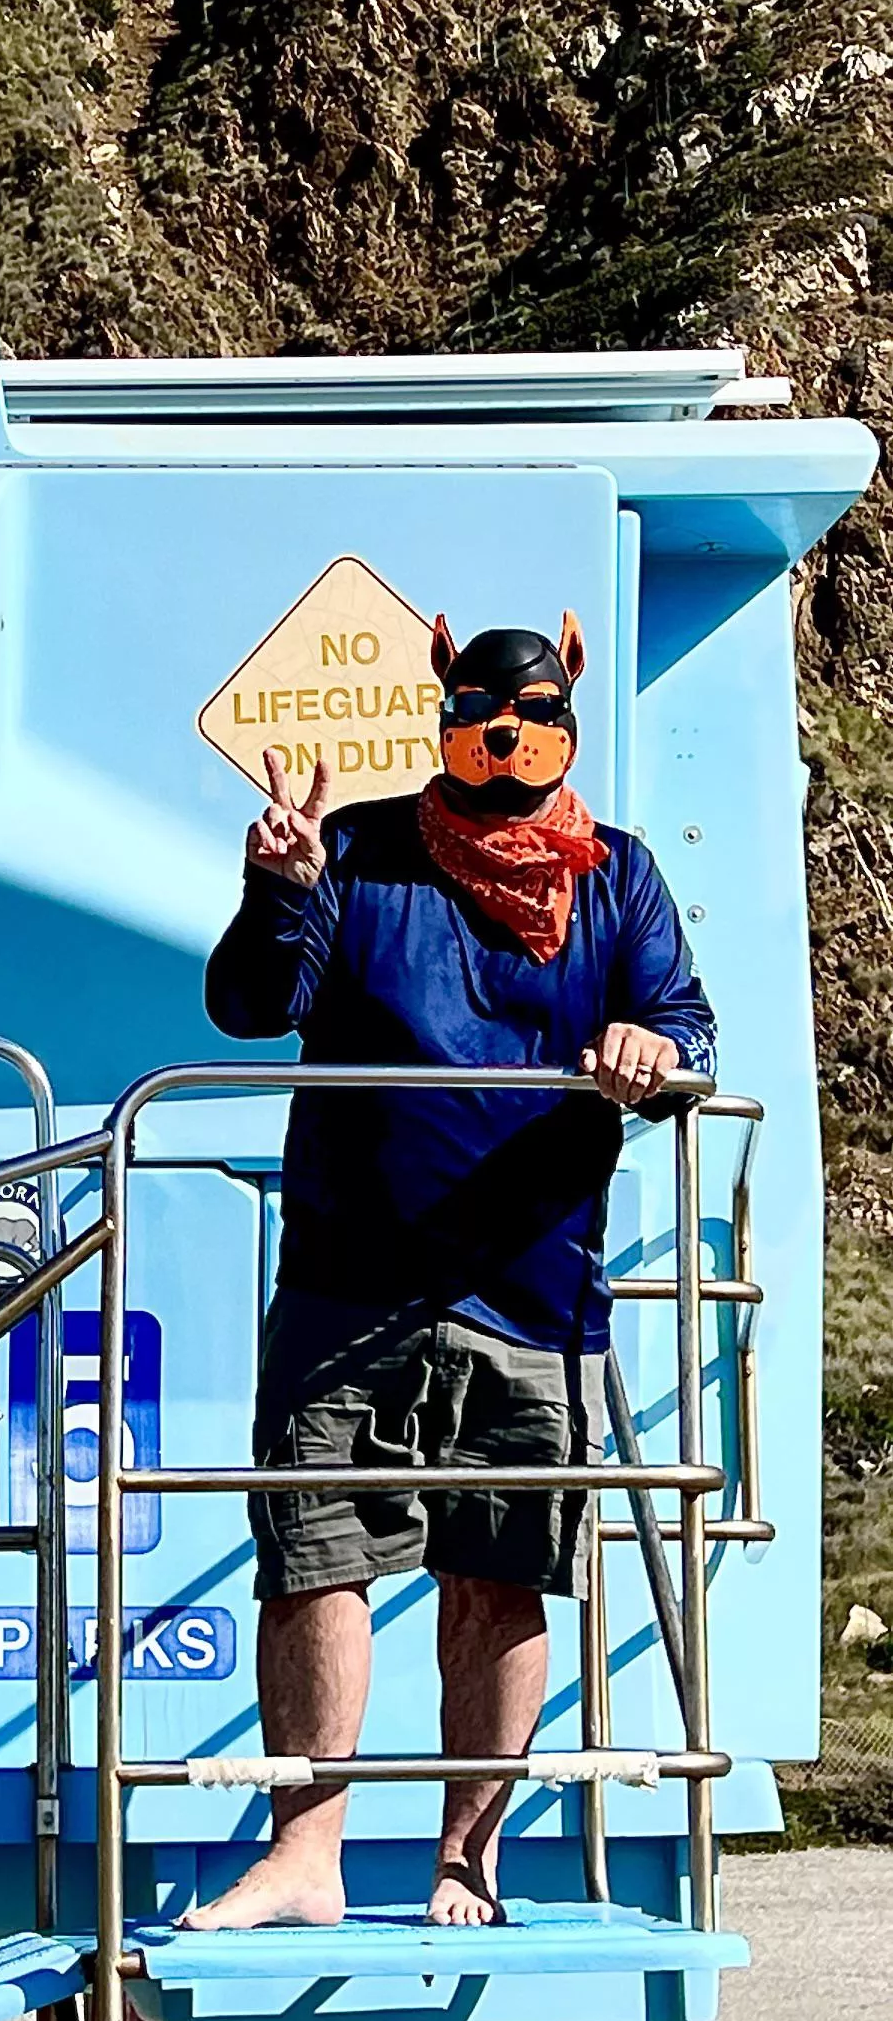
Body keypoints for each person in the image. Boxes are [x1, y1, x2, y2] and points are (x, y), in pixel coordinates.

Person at [186, 609, 716, 1933]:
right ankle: (303, 1858)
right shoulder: (358, 846)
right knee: (314, 1556)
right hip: (347, 1281)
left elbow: (686, 1025)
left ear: (565, 724)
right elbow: (251, 1004)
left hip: (529, 1286)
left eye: (528, 713)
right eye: (478, 708)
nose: (502, 732)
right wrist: (282, 890)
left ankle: (465, 1857)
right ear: (441, 715)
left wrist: (649, 1050)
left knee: (500, 1567)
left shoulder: (617, 876)